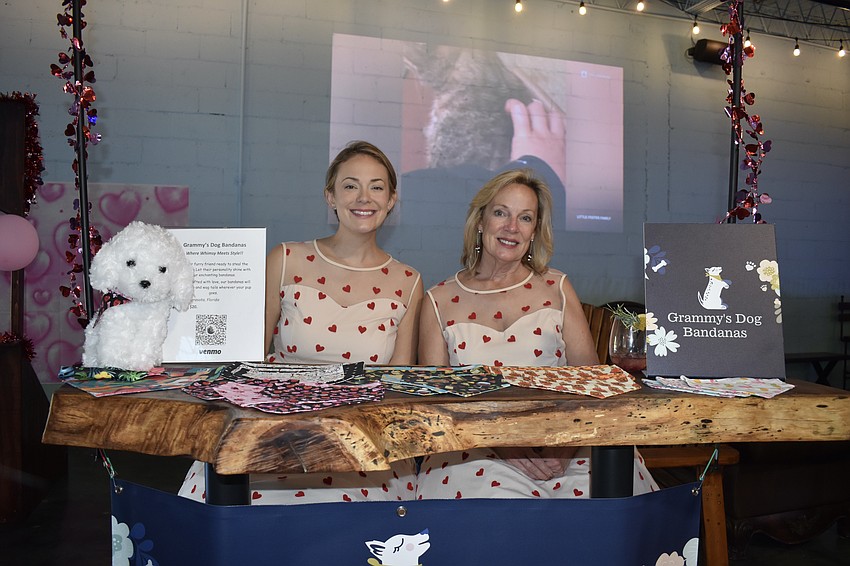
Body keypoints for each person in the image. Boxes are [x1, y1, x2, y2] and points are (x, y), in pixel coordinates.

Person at [179, 140, 423, 504]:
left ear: (390, 200)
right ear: (330, 197)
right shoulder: (287, 258)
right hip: (274, 429)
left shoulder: (409, 281)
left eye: (376, 187)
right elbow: (248, 356)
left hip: (357, 441)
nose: (363, 197)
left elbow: (398, 383)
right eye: (350, 185)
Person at [416, 169, 657, 499]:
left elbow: (592, 382)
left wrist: (566, 447)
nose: (511, 227)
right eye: (501, 212)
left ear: (534, 232)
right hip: (474, 447)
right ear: (480, 221)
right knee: (492, 503)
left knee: (603, 493)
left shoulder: (557, 287)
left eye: (525, 218)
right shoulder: (437, 300)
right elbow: (437, 407)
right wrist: (508, 447)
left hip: (567, 443)